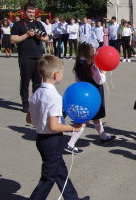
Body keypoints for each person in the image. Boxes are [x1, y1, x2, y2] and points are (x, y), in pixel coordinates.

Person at [26, 55, 90, 200]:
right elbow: (53, 126)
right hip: (51, 140)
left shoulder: (36, 93)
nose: (62, 74)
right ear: (56, 74)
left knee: (59, 170)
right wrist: (73, 127)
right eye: (62, 72)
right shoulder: (54, 97)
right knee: (48, 178)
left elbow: (29, 119)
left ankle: (72, 197)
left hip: (41, 139)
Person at [66, 42, 116, 154]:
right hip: (94, 93)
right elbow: (100, 80)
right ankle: (71, 143)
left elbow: (77, 80)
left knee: (96, 117)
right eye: (93, 50)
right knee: (86, 118)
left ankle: (104, 137)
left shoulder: (78, 64)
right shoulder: (92, 66)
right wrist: (104, 71)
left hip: (85, 92)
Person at [11, 3, 49, 113]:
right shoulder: (18, 25)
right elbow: (13, 40)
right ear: (24, 12)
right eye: (29, 12)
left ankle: (35, 103)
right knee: (25, 82)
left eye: (33, 12)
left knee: (38, 83)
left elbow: (46, 38)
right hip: (25, 57)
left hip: (38, 57)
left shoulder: (38, 24)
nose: (31, 14)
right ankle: (25, 104)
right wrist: (26, 35)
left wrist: (40, 37)